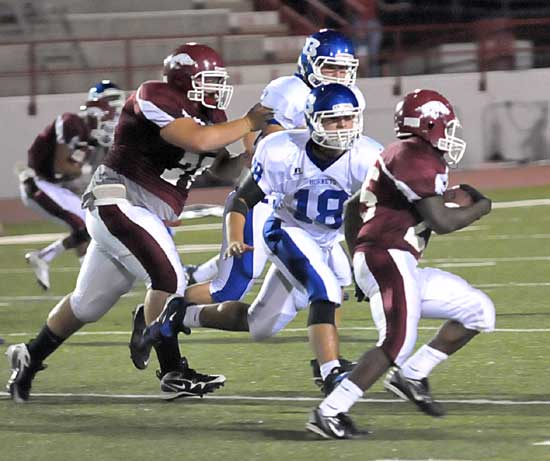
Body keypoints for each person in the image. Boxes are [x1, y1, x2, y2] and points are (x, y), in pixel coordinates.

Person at [5, 42, 272, 403]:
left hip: (143, 211)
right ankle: (173, 371)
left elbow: (218, 164)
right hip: (118, 198)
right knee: (170, 278)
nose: (214, 88)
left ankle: (29, 357)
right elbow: (195, 138)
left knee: (87, 305)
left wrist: (249, 152)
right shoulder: (154, 95)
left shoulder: (213, 114)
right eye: (207, 80)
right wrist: (249, 121)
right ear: (184, 78)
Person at [131, 83, 384, 397]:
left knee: (261, 325)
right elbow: (242, 200)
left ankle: (179, 313)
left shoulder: (368, 155)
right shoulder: (284, 150)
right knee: (327, 288)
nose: (343, 127)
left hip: (326, 240)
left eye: (348, 119)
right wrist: (236, 236)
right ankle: (329, 370)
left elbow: (362, 213)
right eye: (333, 120)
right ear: (312, 121)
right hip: (288, 231)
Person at [158, 30, 364, 386]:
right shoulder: (288, 91)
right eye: (331, 67)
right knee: (230, 286)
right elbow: (258, 144)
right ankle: (162, 310)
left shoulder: (348, 96)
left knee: (336, 280)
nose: (339, 76)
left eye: (345, 68)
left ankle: (326, 359)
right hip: (271, 199)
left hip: (304, 204)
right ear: (311, 63)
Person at [306, 89, 495, 439]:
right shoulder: (414, 156)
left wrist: (358, 260)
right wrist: (481, 206)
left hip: (391, 259)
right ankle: (329, 412)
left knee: (479, 311)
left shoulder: (407, 154)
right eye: (445, 125)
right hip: (388, 256)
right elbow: (442, 222)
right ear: (429, 124)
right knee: (397, 341)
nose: (450, 133)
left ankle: (411, 375)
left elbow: (352, 208)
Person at [19, 112, 92, 290]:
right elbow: (60, 165)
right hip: (37, 183)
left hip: (53, 186)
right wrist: (83, 172)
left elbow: (71, 167)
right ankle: (88, 276)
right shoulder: (71, 123)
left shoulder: (88, 137)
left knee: (89, 225)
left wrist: (79, 170)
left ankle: (45, 257)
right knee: (80, 224)